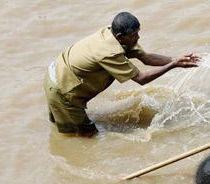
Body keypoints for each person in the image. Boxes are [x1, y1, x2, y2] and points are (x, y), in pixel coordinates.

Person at [43, 12, 201, 137]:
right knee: (85, 134)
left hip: (56, 74)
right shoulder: (108, 52)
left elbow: (146, 58)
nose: (138, 38)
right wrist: (173, 65)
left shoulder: (114, 34)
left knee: (60, 125)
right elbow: (141, 79)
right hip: (62, 89)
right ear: (120, 37)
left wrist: (177, 59)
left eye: (138, 33)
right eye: (134, 35)